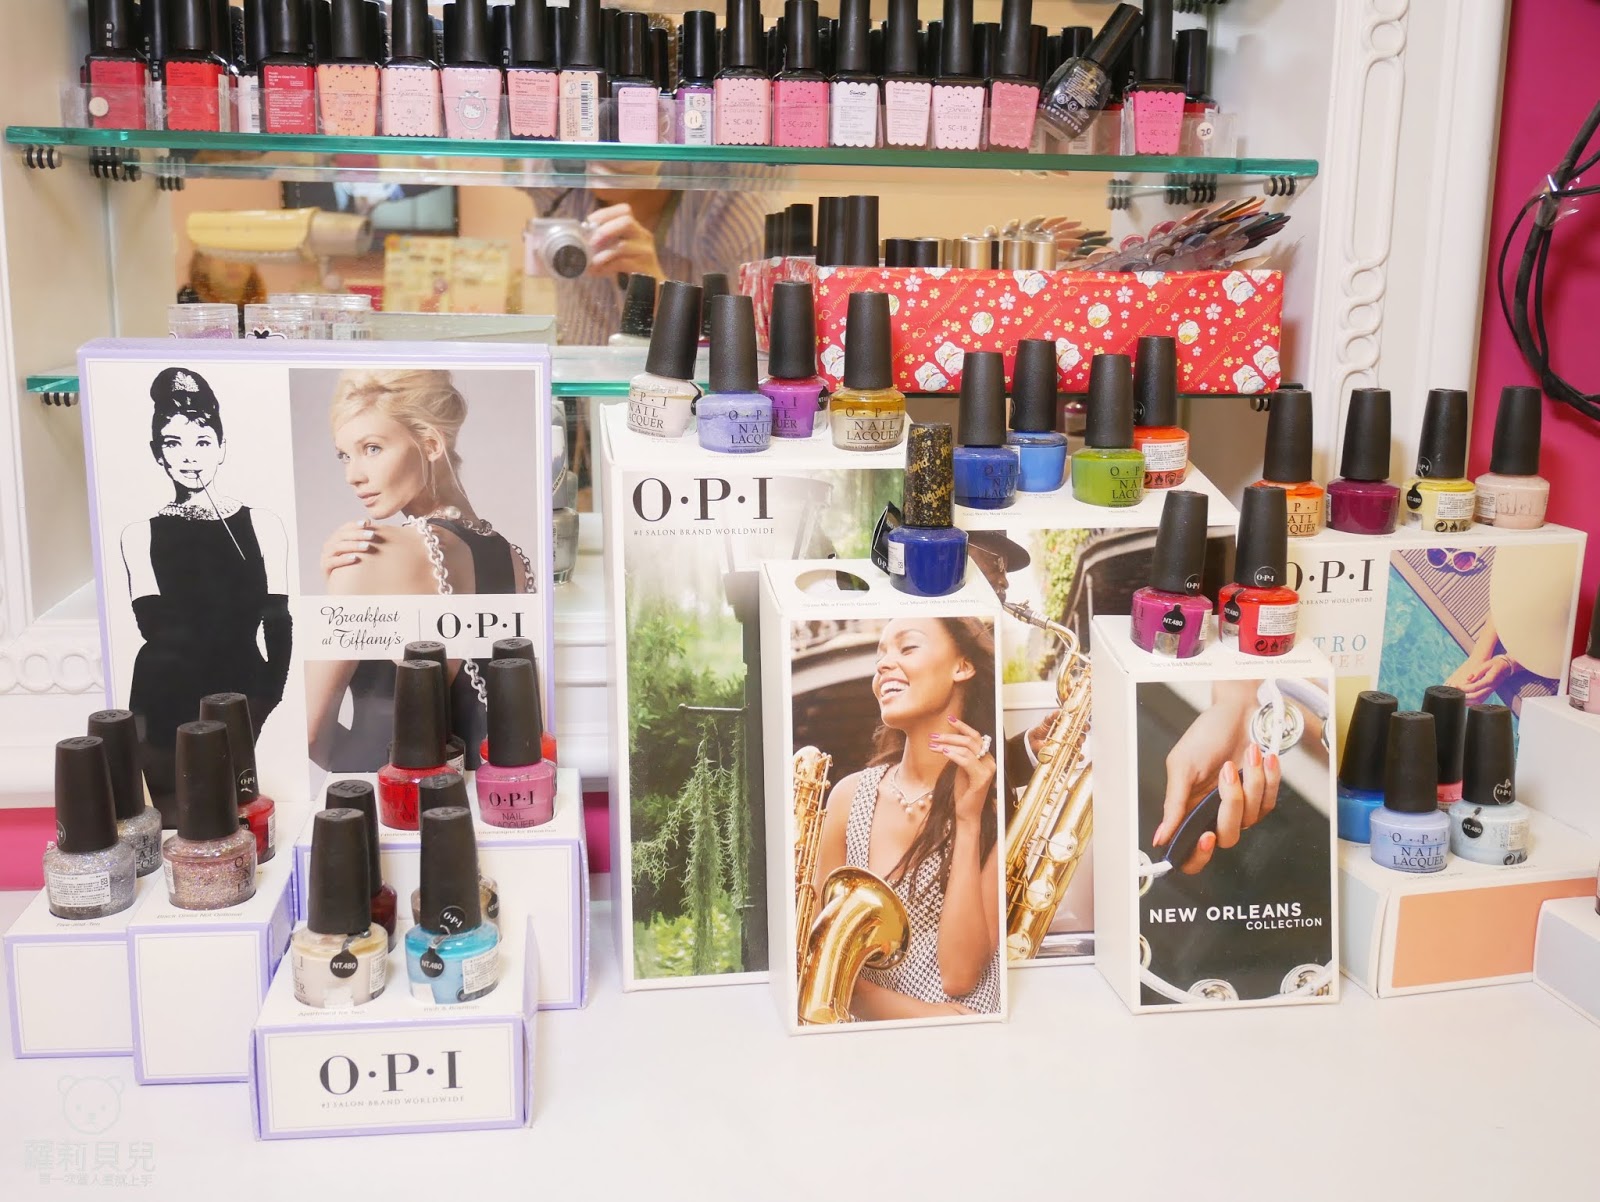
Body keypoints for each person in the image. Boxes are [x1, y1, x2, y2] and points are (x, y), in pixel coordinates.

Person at [306, 370, 535, 772]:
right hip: (475, 792)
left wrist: (340, 585)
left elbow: (308, 734)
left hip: (383, 797)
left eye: (372, 448)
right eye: (345, 455)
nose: (353, 475)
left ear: (430, 444)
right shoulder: (513, 558)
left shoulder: (367, 554)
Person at [120, 367, 291, 821]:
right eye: (174, 443)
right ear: (157, 453)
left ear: (222, 446)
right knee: (181, 824)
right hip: (162, 700)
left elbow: (278, 622)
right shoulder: (138, 534)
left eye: (201, 441)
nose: (189, 457)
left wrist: (267, 696)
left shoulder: (263, 524)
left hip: (244, 693)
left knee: (242, 814)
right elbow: (155, 629)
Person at [812, 617, 1002, 1019]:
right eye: (880, 655)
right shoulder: (848, 798)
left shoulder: (991, 808)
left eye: (908, 647)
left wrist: (968, 823)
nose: (883, 664)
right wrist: (929, 1018)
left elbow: (959, 977)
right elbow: (818, 961)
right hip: (883, 1038)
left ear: (962, 666)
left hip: (969, 1045)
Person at [529, 163, 769, 344]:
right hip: (578, 389)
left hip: (683, 397)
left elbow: (749, 362)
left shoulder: (732, 211)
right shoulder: (563, 190)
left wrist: (665, 301)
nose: (607, 133)